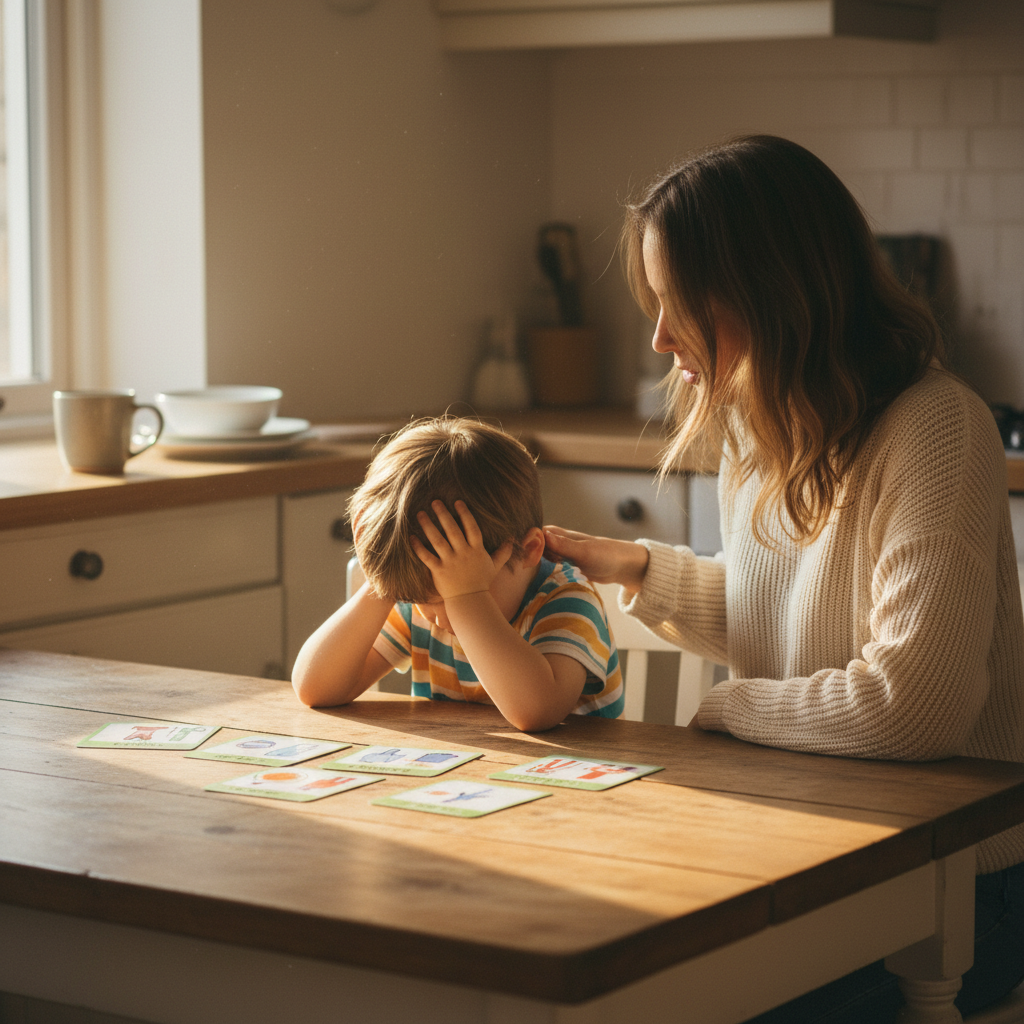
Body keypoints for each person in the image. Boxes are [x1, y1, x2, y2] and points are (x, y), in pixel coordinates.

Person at [543, 135, 1024, 1021]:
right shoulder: (762, 427)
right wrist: (640, 569)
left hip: (961, 888)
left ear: (765, 289)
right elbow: (795, 621)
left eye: (677, 302)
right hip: (825, 841)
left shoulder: (936, 428)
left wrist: (731, 708)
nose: (658, 335)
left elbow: (913, 705)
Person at [292, 416, 623, 732]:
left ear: (529, 551)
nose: (433, 615)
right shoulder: (420, 602)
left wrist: (468, 598)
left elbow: (535, 712)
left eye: (451, 594)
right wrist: (384, 580)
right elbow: (315, 689)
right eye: (419, 599)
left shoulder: (568, 601)